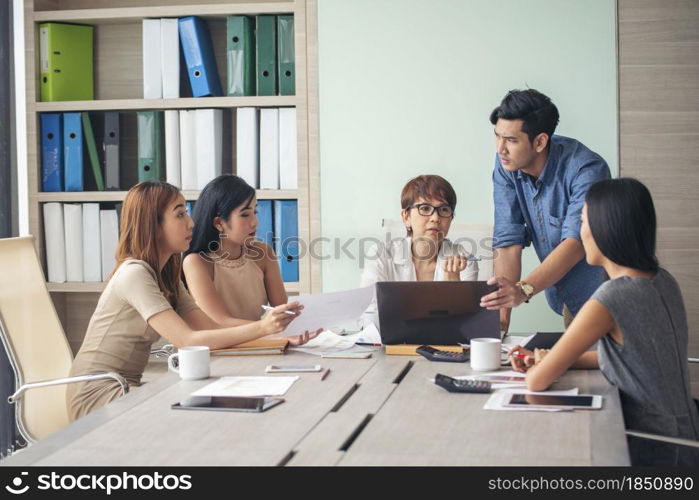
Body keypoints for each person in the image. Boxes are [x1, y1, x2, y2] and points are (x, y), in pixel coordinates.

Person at [67, 182, 313, 421]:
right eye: (180, 214)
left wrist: (277, 338)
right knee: (202, 417)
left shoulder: (166, 276)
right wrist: (263, 328)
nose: (191, 223)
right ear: (153, 224)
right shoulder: (134, 274)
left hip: (128, 386)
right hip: (97, 394)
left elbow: (211, 329)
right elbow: (186, 340)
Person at [508, 178, 699, 466]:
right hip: (685, 438)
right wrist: (556, 360)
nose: (579, 233)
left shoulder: (610, 298)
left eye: (582, 221)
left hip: (648, 449)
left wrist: (546, 366)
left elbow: (536, 381)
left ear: (605, 228)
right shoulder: (662, 280)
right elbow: (635, 358)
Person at [480, 89, 611, 332]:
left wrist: (523, 290)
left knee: (600, 369)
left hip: (606, 300)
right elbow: (508, 241)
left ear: (540, 141)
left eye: (511, 140)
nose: (500, 149)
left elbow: (576, 243)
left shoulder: (586, 169)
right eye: (497, 136)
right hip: (566, 300)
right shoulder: (506, 166)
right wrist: (500, 323)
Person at [182, 175, 315, 348]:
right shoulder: (196, 262)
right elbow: (220, 321)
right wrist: (270, 331)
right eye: (245, 215)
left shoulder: (264, 253)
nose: (255, 223)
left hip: (260, 343)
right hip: (220, 349)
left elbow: (282, 310)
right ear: (219, 223)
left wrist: (295, 323)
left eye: (255, 212)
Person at [360, 175, 479, 327]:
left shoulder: (464, 260)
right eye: (425, 208)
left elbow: (467, 325)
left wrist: (452, 285)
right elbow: (369, 316)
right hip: (391, 347)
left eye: (444, 209)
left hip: (442, 348)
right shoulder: (380, 254)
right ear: (406, 217)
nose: (435, 217)